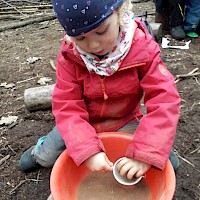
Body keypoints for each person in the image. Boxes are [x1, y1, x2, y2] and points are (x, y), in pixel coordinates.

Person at [19, 0, 180, 181]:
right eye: (80, 38)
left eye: (101, 31)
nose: (94, 46)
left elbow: (165, 99)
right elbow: (67, 106)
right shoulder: (70, 56)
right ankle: (38, 151)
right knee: (48, 156)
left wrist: (146, 152)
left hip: (125, 120)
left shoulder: (142, 48)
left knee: (164, 161)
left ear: (119, 12)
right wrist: (86, 150)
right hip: (81, 123)